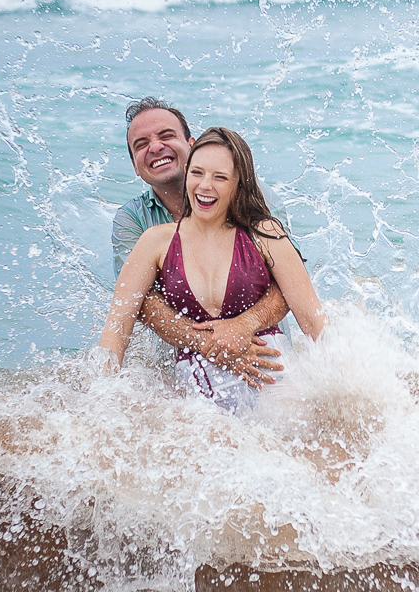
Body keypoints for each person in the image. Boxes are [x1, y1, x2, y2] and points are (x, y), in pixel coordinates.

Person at [100, 127, 327, 410]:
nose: (205, 186)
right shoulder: (154, 242)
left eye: (219, 177)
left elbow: (315, 325)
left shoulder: (265, 233)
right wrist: (99, 404)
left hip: (276, 390)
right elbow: (116, 331)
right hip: (199, 416)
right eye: (197, 173)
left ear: (238, 183)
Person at [111, 98, 289, 387]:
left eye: (166, 136)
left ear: (193, 146)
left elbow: (287, 284)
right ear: (134, 166)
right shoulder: (133, 220)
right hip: (183, 369)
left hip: (266, 354)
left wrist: (242, 328)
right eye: (141, 144)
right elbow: (139, 301)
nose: (155, 147)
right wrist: (211, 344)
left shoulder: (253, 197)